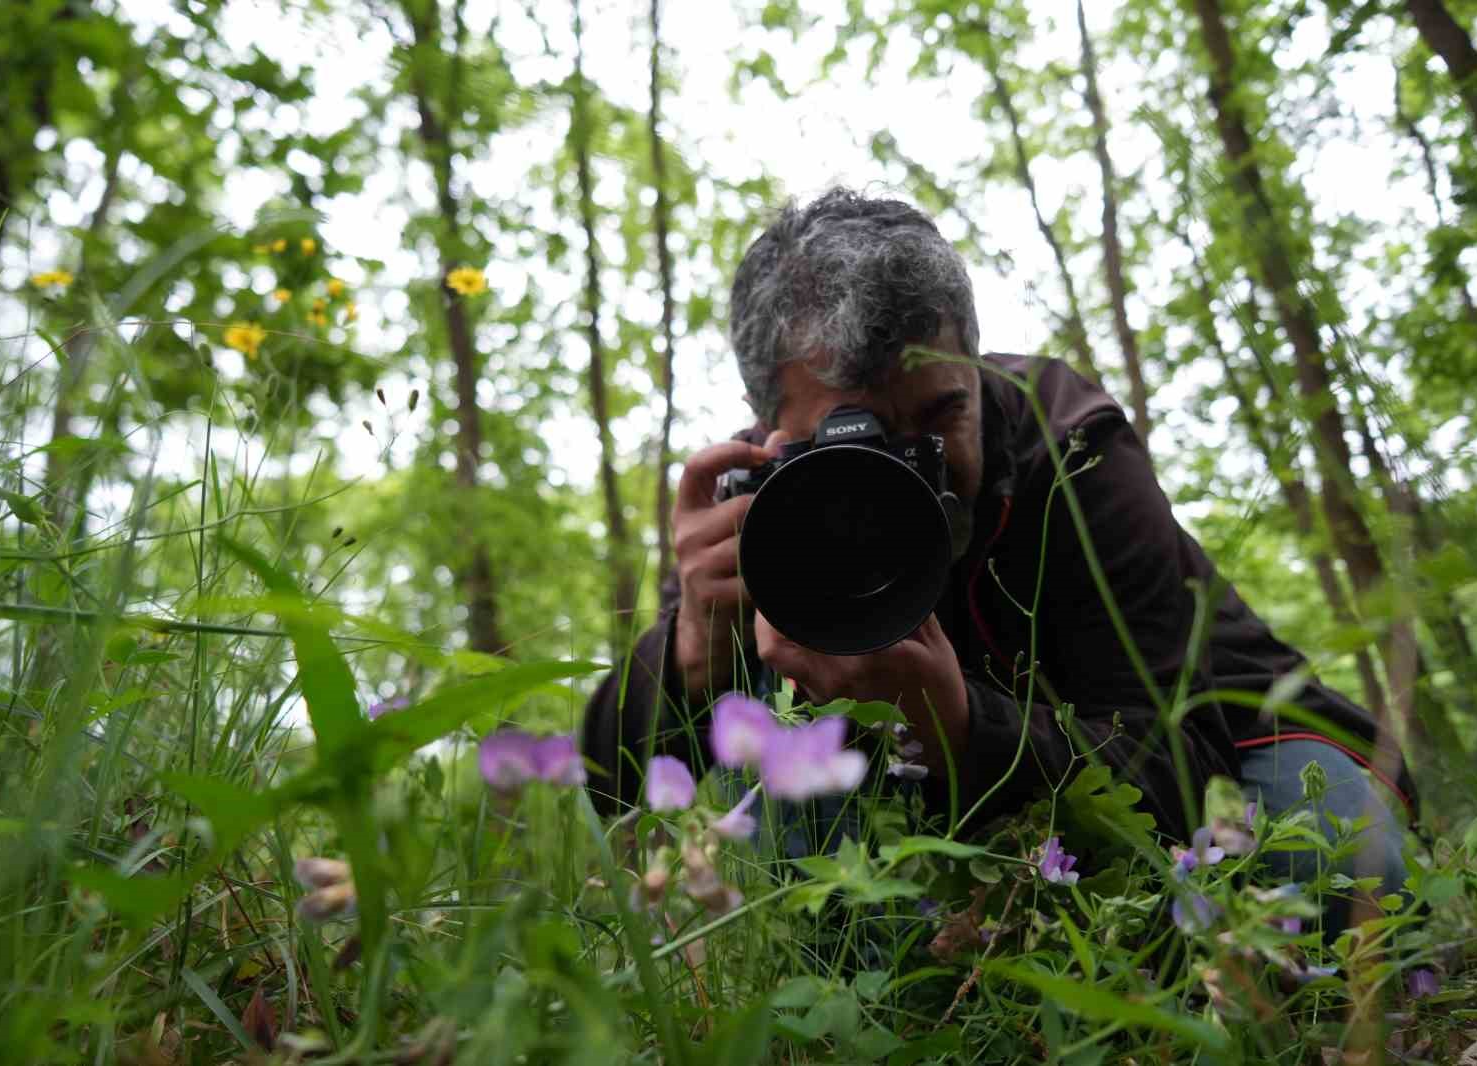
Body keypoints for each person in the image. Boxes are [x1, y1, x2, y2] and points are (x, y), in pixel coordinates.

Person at [581, 187, 1414, 938]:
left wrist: (963, 725)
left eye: (942, 415)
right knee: (821, 885)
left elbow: (1177, 756)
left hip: (1228, 730)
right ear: (773, 432)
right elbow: (610, 784)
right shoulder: (760, 504)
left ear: (978, 369)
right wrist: (692, 650)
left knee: (1345, 869)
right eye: (863, 438)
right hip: (953, 800)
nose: (917, 468)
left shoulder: (1070, 446)